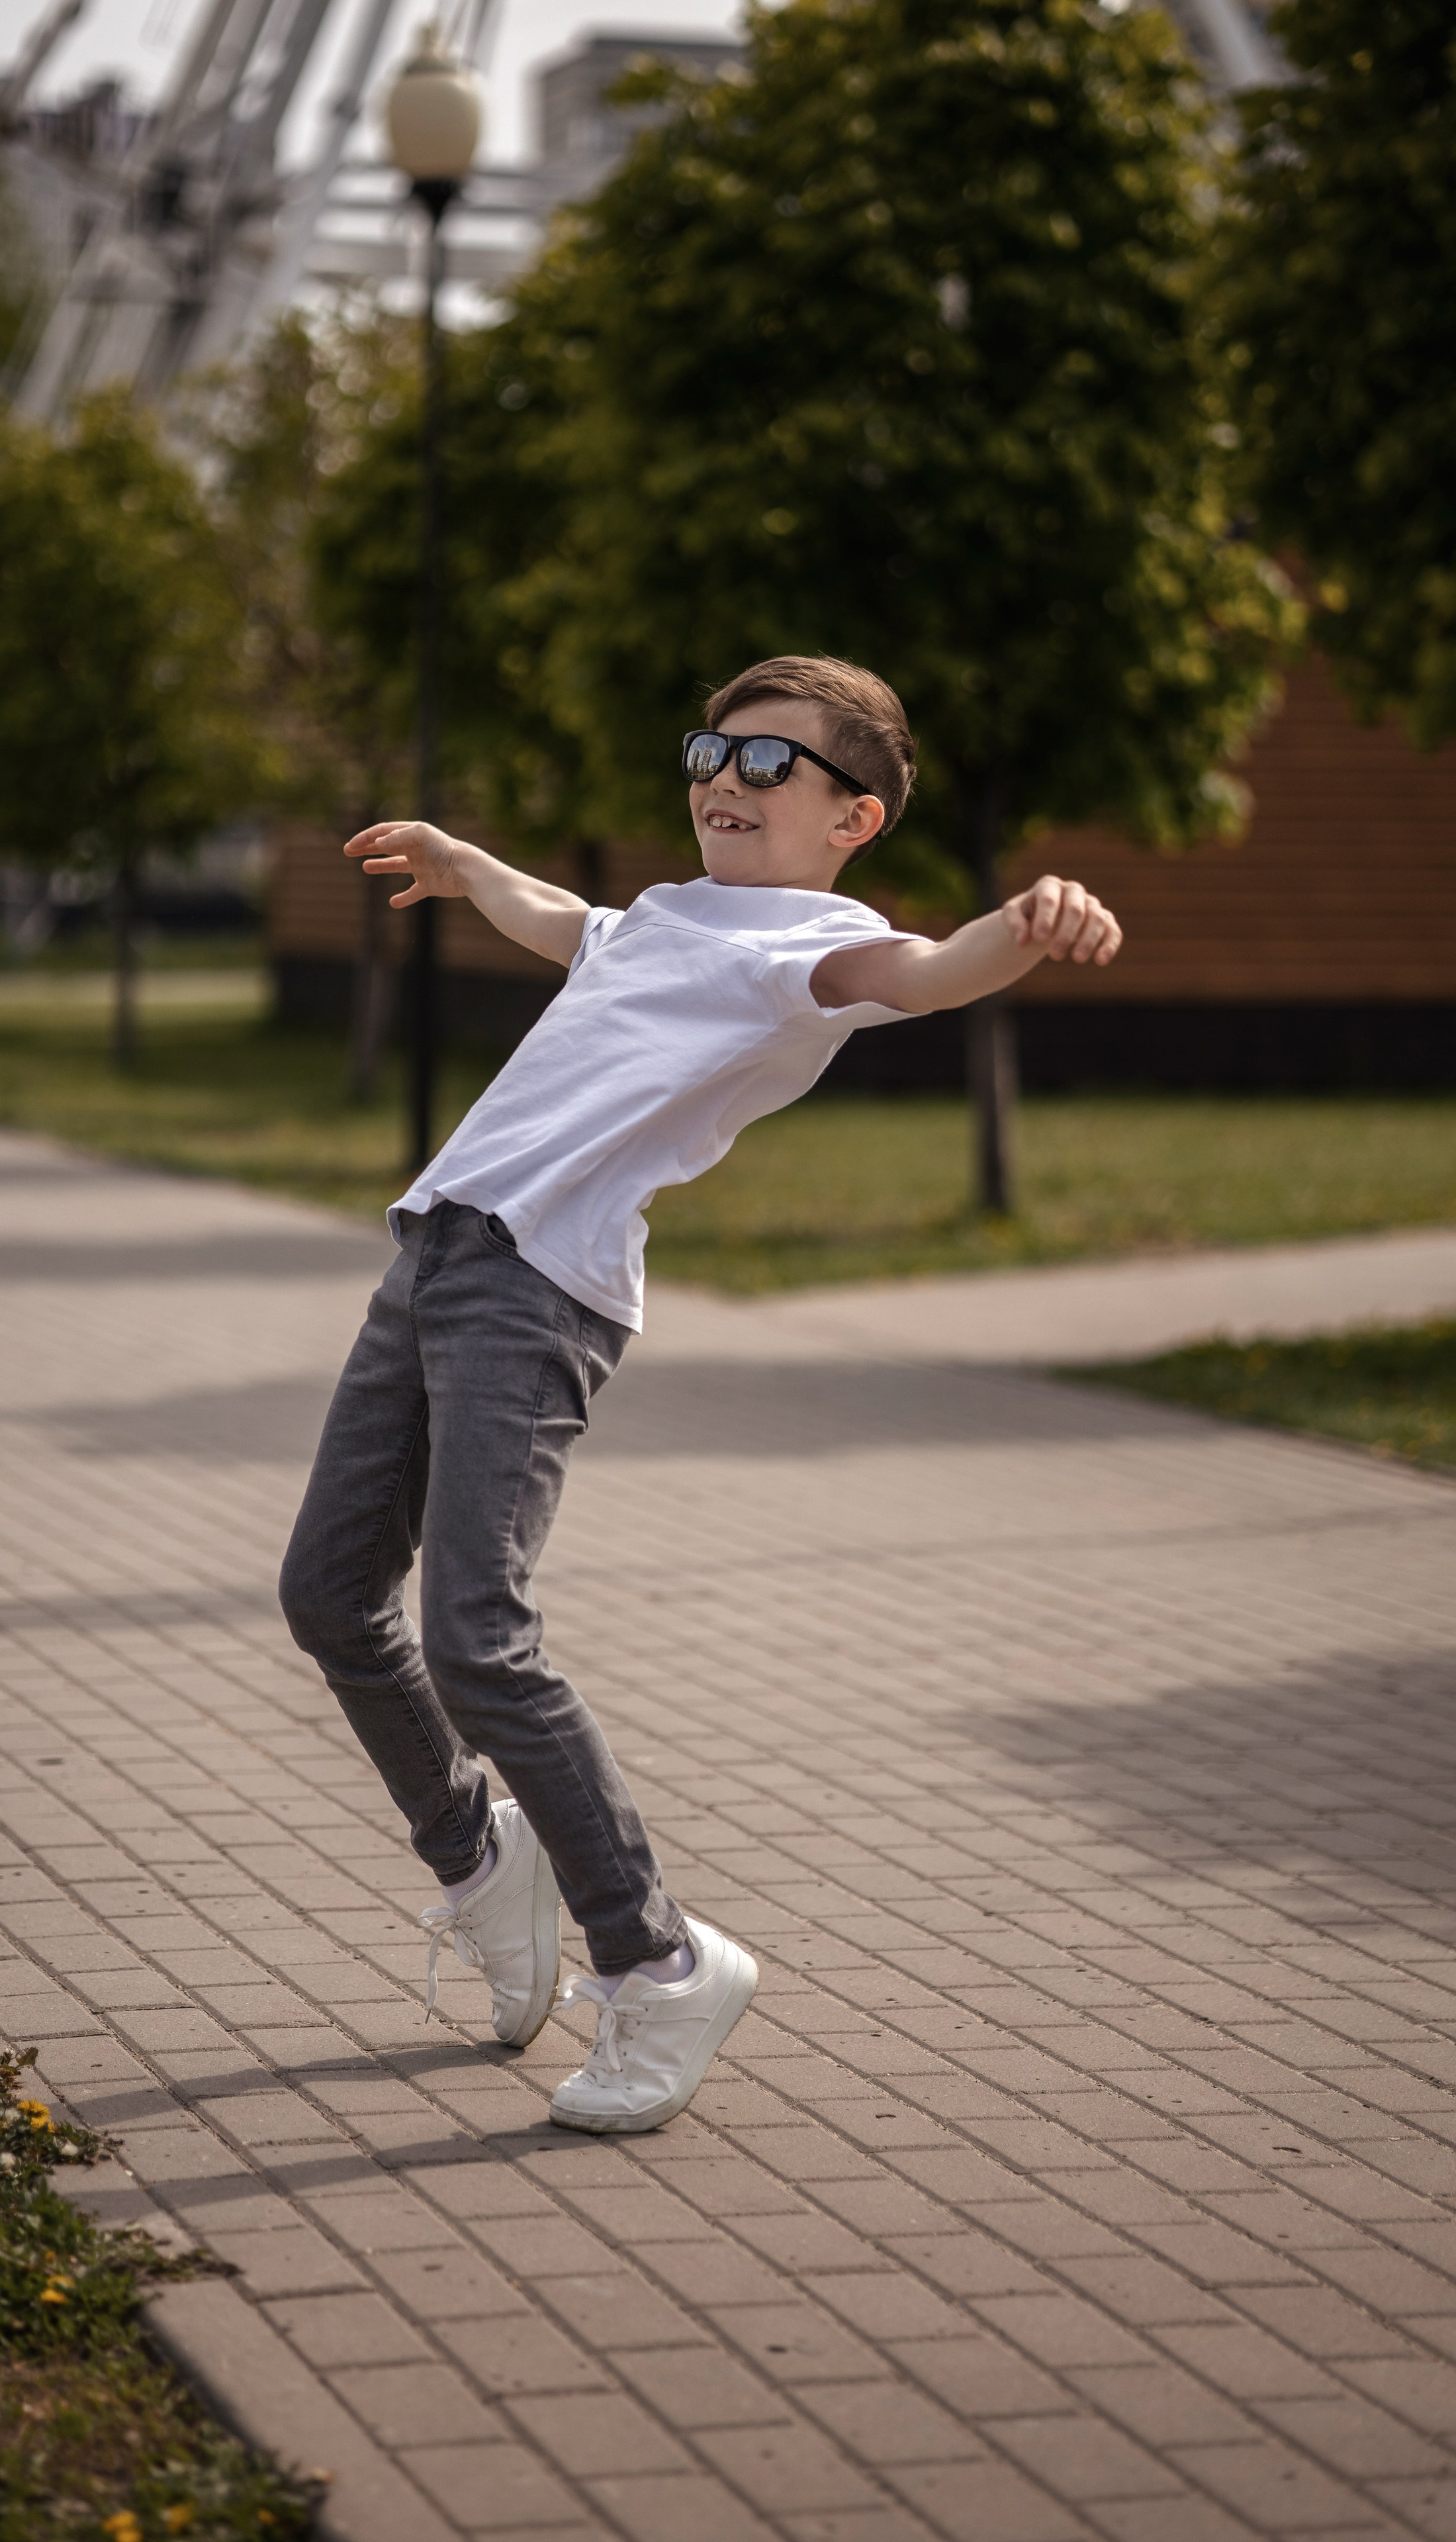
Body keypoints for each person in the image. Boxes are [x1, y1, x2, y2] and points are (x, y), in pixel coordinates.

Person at [279, 653, 1122, 2134]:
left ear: (850, 818)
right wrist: (472, 865)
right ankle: (481, 1863)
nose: (720, 783)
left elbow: (922, 974)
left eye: (765, 767)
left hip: (535, 1288)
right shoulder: (669, 918)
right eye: (708, 752)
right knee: (330, 1594)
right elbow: (575, 930)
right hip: (433, 1252)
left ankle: (657, 1958)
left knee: (477, 1636)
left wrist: (1028, 921)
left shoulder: (814, 938)